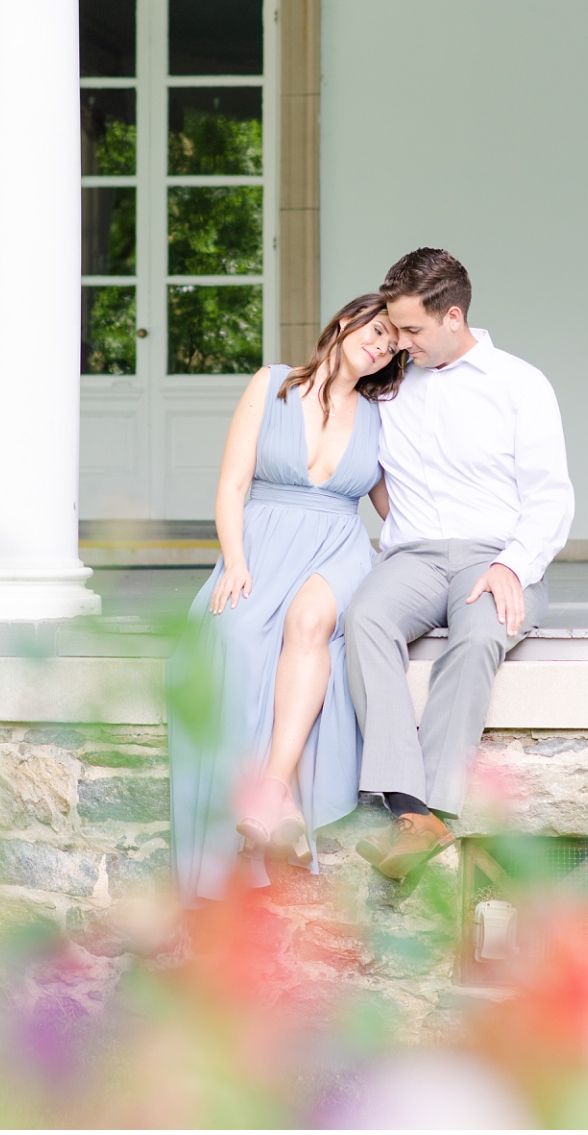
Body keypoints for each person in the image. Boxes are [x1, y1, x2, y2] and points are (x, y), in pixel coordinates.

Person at [344, 248, 573, 882]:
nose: (402, 343)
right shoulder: (389, 384)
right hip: (413, 555)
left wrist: (513, 566)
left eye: (413, 330)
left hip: (494, 556)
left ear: (452, 317)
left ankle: (432, 811)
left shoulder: (519, 384)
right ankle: (410, 810)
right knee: (363, 617)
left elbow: (551, 495)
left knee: (474, 640)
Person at [169, 294, 405, 903]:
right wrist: (236, 560)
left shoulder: (384, 415)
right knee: (237, 638)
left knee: (308, 623)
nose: (380, 346)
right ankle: (284, 815)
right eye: (376, 331)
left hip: (339, 547)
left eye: (391, 344)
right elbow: (232, 483)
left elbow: (398, 511)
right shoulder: (270, 384)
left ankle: (270, 792)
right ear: (345, 322)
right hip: (263, 542)